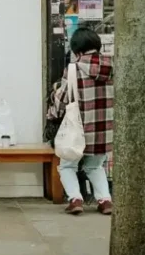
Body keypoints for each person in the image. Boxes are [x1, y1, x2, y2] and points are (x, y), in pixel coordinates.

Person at [48, 27, 114, 216]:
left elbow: (62, 99)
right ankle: (105, 201)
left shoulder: (73, 69)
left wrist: (52, 114)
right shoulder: (112, 68)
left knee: (67, 165)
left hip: (78, 129)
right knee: (94, 165)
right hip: (104, 129)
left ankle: (75, 199)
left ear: (77, 50)